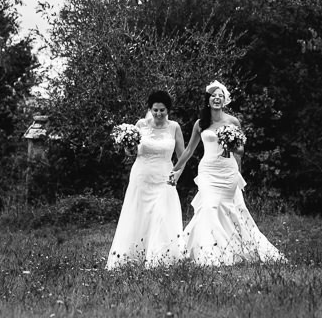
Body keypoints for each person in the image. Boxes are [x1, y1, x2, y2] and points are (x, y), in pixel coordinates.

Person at [169, 80, 285, 265]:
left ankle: (231, 250)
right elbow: (190, 150)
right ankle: (209, 254)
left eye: (220, 96)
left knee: (227, 210)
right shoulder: (201, 123)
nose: (217, 99)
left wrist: (232, 151)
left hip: (228, 172)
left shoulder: (233, 121)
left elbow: (241, 151)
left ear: (224, 101)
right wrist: (174, 169)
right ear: (208, 100)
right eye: (213, 96)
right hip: (208, 171)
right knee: (208, 207)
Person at [106, 90, 187, 269]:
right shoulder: (140, 125)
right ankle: (133, 255)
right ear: (149, 109)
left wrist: (177, 175)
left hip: (164, 177)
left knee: (162, 215)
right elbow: (131, 152)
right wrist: (127, 146)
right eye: (155, 110)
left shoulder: (174, 127)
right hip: (142, 176)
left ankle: (160, 257)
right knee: (139, 215)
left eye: (162, 110)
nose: (158, 114)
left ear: (168, 110)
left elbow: (182, 157)